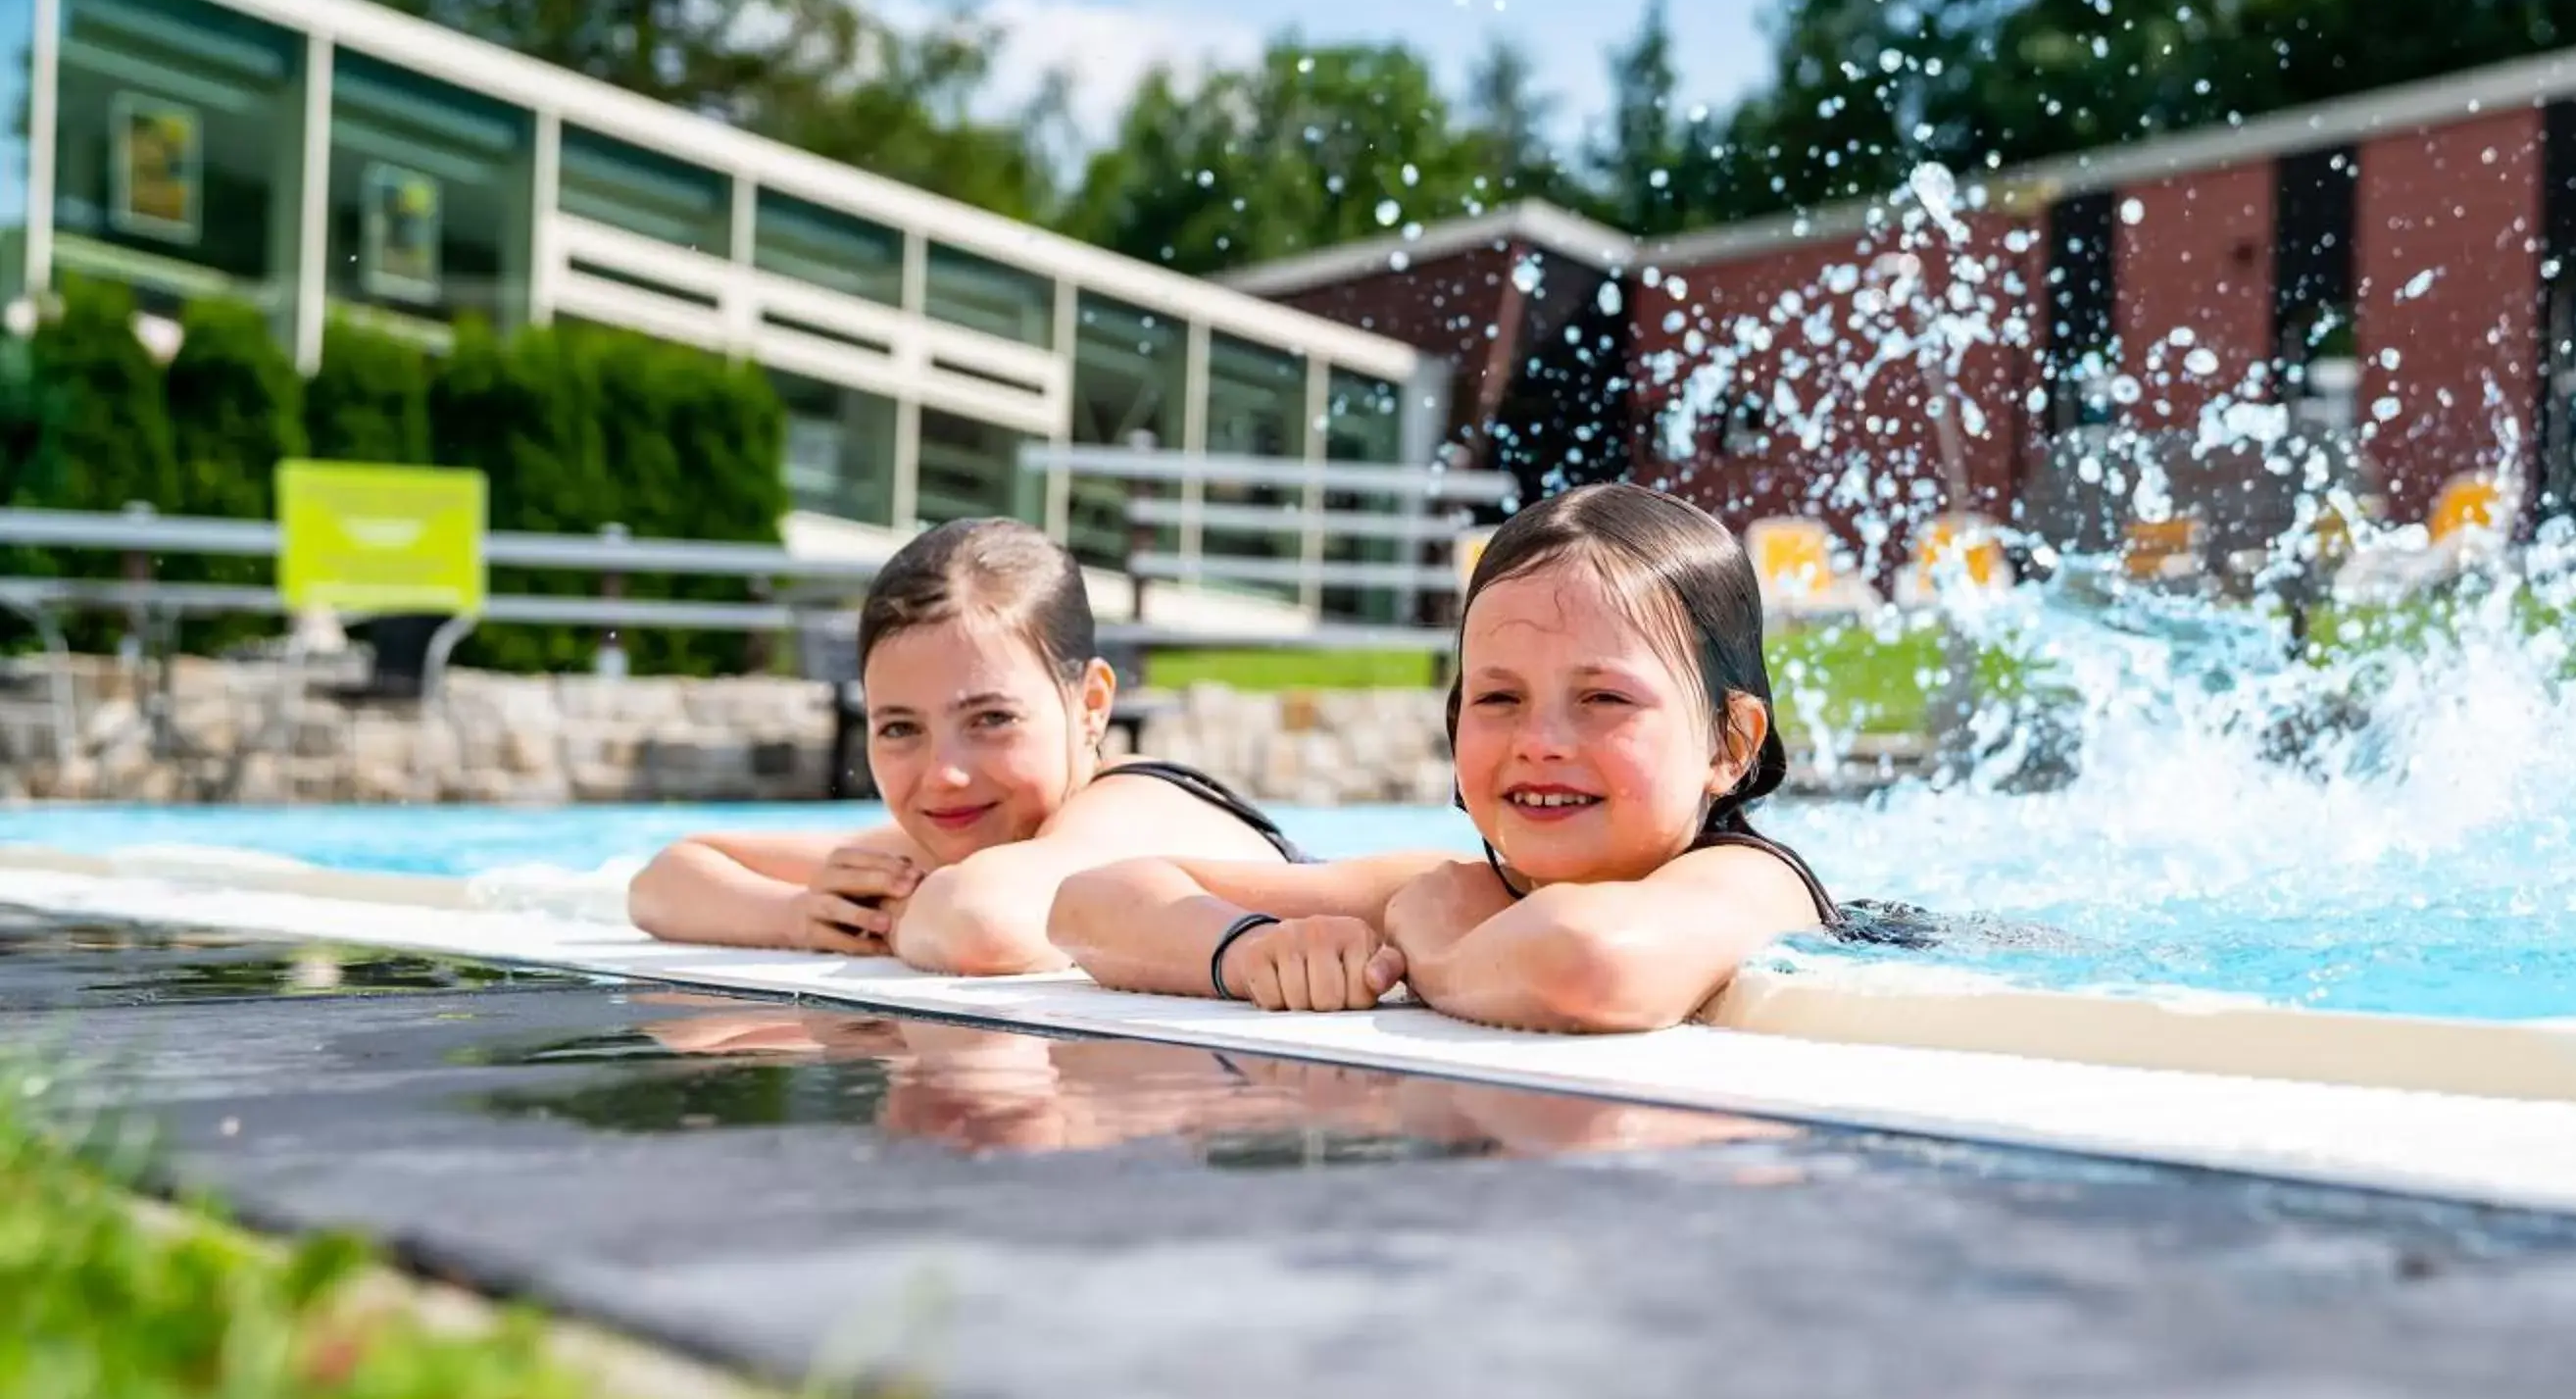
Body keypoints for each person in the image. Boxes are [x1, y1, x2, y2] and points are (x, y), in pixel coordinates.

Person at [1050, 482, 1862, 1033]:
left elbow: (1588, 963)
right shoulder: (1454, 889)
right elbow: (1090, 902)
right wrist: (1251, 950)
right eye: (1498, 699)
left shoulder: (1750, 880)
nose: (1539, 742)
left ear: (1730, 744)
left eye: (1604, 700)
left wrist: (1433, 951)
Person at [626, 518, 1297, 970]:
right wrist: (804, 916)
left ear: (1090, 704)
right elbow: (665, 879)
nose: (943, 774)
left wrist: (878, 918)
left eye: (991, 720)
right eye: (899, 729)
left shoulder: (1129, 810)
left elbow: (981, 923)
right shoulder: (976, 838)